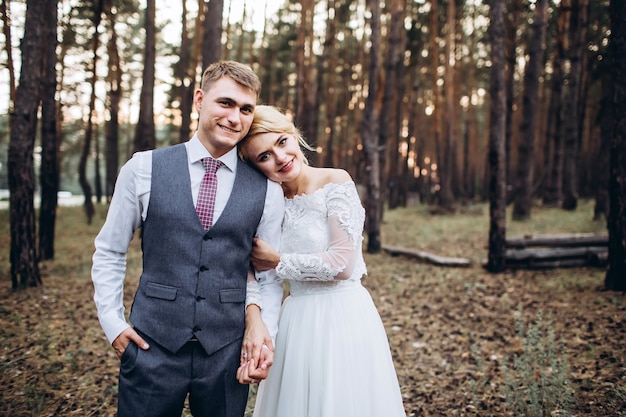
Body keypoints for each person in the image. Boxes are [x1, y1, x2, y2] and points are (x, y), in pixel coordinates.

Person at [91, 61, 285, 417]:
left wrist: (262, 334)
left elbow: (267, 273)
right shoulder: (142, 169)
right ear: (199, 99)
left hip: (227, 354)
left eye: (245, 109)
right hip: (152, 346)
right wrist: (113, 323)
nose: (235, 118)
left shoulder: (267, 189)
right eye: (225, 103)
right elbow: (110, 250)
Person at [236, 105, 406, 417]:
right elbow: (251, 264)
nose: (280, 158)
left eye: (282, 142)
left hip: (343, 315)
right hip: (296, 319)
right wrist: (255, 314)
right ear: (254, 166)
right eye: (264, 156)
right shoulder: (265, 203)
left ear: (294, 136)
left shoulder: (335, 181)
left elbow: (343, 264)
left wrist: (277, 260)